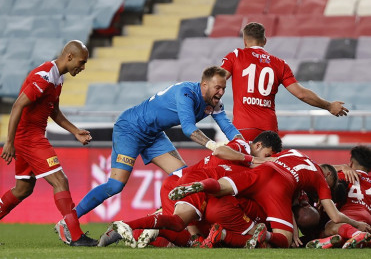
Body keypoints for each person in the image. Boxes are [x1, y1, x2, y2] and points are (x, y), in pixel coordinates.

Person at [56, 66, 243, 243]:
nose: (221, 92)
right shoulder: (186, 93)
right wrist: (213, 145)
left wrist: (244, 144)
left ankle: (160, 221)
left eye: (224, 88)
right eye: (218, 87)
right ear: (204, 85)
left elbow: (228, 127)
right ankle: (67, 221)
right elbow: (188, 128)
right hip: (131, 128)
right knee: (115, 185)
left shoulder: (214, 103)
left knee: (183, 177)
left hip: (153, 134)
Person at [99, 131, 282, 248]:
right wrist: (257, 160)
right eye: (267, 155)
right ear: (258, 146)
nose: (265, 161)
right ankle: (128, 225)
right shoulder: (243, 146)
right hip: (193, 183)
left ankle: (145, 231)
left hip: (188, 183)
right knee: (180, 225)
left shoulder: (244, 166)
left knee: (191, 238)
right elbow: (219, 152)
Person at [0, 40, 97, 246]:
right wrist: (9, 142)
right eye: (81, 62)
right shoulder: (44, 77)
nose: (83, 67)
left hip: (31, 136)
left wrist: (75, 132)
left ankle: (74, 233)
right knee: (60, 181)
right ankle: (75, 236)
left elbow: (54, 111)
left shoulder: (57, 78)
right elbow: (17, 105)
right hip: (30, 138)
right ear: (69, 57)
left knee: (23, 189)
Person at [169, 149, 371, 248]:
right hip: (278, 188)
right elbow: (335, 216)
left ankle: (201, 186)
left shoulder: (294, 152)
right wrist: (358, 224)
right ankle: (264, 235)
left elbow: (271, 160)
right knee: (284, 239)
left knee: (222, 187)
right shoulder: (320, 181)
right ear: (328, 178)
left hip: (263, 171)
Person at [220, 22, 349, 141]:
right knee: (268, 165)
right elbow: (301, 94)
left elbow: (217, 80)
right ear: (265, 41)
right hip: (268, 129)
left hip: (243, 127)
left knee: (240, 165)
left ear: (244, 41)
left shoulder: (236, 55)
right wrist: (328, 106)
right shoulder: (280, 64)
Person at [306, 145, 371, 249]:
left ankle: (354, 234)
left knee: (329, 227)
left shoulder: (342, 175)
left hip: (348, 216)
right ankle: (343, 240)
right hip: (368, 219)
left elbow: (313, 170)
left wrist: (340, 167)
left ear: (351, 163)